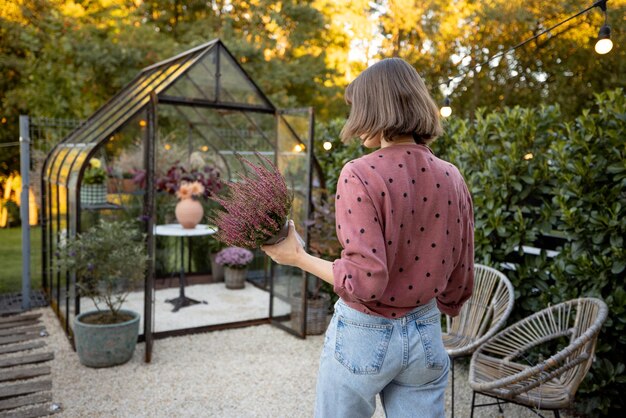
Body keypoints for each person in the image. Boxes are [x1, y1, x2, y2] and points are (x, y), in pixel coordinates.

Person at [262, 58, 474, 418]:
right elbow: (461, 275)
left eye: (359, 109)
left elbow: (365, 280)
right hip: (426, 332)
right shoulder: (451, 176)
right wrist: (438, 311)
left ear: (378, 109)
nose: (354, 122)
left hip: (365, 333)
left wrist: (296, 257)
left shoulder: (359, 173)